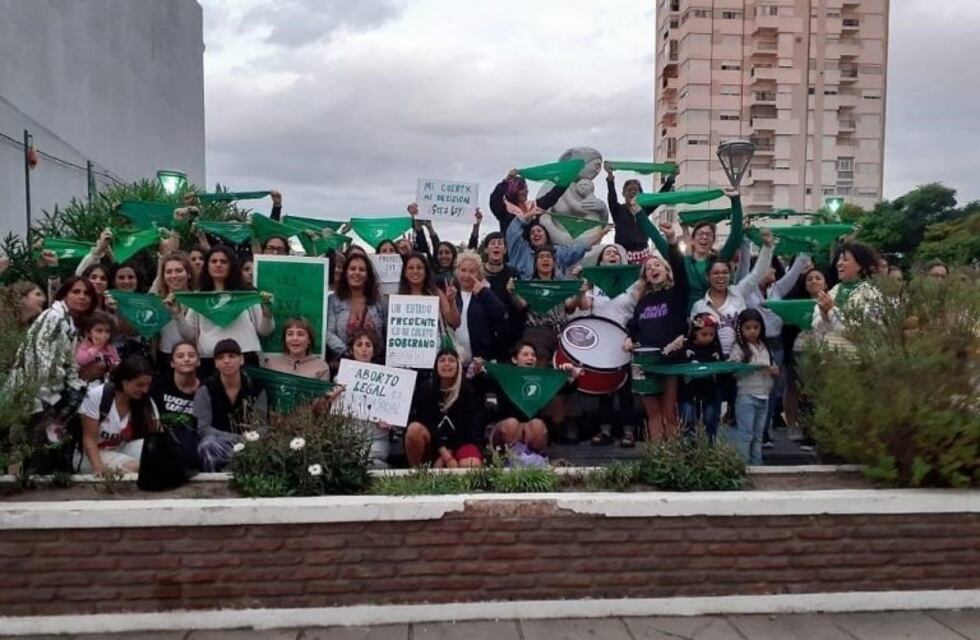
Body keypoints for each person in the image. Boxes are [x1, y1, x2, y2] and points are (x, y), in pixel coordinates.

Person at [8, 276, 98, 470]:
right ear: (64, 295)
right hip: (37, 399)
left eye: (87, 293)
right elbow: (43, 363)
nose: (82, 297)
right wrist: (60, 397)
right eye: (76, 292)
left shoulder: (67, 321)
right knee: (38, 463)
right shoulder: (54, 318)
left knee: (43, 459)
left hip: (43, 398)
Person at [623, 222, 689, 443]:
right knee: (653, 413)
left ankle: (673, 459)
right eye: (648, 268)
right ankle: (657, 458)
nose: (652, 269)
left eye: (657, 265)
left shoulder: (676, 293)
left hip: (669, 359)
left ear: (666, 270)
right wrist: (629, 338)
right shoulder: (643, 301)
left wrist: (671, 241)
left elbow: (680, 267)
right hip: (643, 360)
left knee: (669, 412)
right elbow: (634, 324)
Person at [173, 244, 275, 374]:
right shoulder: (199, 296)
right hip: (209, 359)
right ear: (207, 266)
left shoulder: (247, 294)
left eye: (223, 261)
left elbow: (265, 331)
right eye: (213, 261)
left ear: (231, 266)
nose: (218, 265)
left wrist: (267, 313)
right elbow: (190, 336)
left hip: (245, 356)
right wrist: (178, 315)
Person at [638, 188, 744, 311]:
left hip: (718, 315)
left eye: (708, 235)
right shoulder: (682, 262)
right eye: (700, 234)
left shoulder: (719, 261)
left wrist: (735, 201)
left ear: (713, 241)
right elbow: (657, 238)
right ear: (693, 240)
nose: (704, 237)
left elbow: (736, 235)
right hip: (687, 317)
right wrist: (639, 214)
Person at [576, 243, 639, 445]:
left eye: (616, 254)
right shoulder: (595, 283)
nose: (612, 255)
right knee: (604, 388)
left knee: (626, 389)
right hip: (602, 342)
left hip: (625, 341)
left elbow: (639, 308)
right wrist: (581, 287)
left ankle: (628, 432)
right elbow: (585, 306)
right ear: (601, 261)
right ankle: (605, 431)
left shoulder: (631, 284)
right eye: (608, 253)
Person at [77, 355, 159, 474]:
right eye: (140, 385)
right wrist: (99, 470)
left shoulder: (145, 402)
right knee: (135, 468)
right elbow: (89, 439)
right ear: (124, 381)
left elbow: (158, 433)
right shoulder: (98, 396)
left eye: (148, 385)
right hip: (92, 454)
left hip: (121, 449)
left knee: (155, 452)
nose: (145, 390)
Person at [193, 338, 265, 472]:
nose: (226, 361)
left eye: (232, 356)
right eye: (221, 358)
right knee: (206, 445)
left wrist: (247, 441)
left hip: (249, 444)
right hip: (218, 443)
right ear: (215, 363)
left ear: (241, 359)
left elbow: (261, 426)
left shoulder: (256, 387)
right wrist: (234, 438)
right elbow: (203, 428)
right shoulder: (206, 389)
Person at [405, 349, 485, 468]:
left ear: (458, 365)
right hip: (434, 443)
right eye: (442, 360)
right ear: (436, 365)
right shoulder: (426, 389)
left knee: (471, 464)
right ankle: (416, 473)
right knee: (414, 430)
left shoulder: (467, 391)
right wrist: (444, 454)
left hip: (460, 442)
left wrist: (448, 455)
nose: (446, 364)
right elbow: (428, 423)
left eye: (451, 360)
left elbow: (467, 428)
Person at [729, 309, 780, 465]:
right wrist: (758, 367)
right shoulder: (739, 348)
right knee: (746, 435)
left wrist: (775, 371)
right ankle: (743, 466)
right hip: (746, 396)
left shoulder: (765, 347)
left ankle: (757, 466)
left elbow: (773, 366)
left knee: (758, 436)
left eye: (756, 327)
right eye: (748, 328)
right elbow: (734, 370)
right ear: (741, 329)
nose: (752, 331)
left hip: (764, 397)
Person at [812, 241, 883, 351]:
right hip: (829, 361)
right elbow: (817, 327)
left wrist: (831, 311)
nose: (839, 263)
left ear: (860, 265)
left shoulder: (871, 294)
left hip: (857, 362)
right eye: (839, 259)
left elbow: (859, 332)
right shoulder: (832, 292)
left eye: (845, 260)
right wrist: (824, 315)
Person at [666, 313, 724, 441]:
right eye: (704, 334)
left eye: (711, 334)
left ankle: (710, 453)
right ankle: (689, 456)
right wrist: (673, 346)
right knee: (688, 423)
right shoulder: (685, 347)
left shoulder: (715, 348)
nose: (708, 338)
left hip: (710, 395)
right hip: (687, 394)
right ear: (694, 332)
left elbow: (722, 369)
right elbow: (667, 358)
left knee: (710, 424)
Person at [337, 329, 390, 468]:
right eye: (359, 345)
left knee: (371, 462)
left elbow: (393, 412)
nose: (364, 349)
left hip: (377, 440)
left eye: (368, 345)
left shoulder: (387, 379)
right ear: (351, 349)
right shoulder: (340, 377)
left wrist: (391, 422)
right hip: (348, 439)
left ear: (373, 350)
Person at [604, 164, 676, 264]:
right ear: (623, 193)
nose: (632, 193)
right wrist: (610, 178)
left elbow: (658, 199)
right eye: (629, 190)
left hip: (644, 258)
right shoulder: (618, 210)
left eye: (636, 190)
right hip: (623, 257)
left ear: (641, 194)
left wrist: (670, 180)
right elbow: (612, 197)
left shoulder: (643, 211)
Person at [506, 208, 601, 280]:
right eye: (532, 233)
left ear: (546, 236)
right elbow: (512, 233)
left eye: (539, 231)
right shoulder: (522, 252)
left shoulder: (558, 252)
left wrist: (602, 233)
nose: (536, 234)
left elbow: (580, 247)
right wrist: (529, 214)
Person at [325, 253, 386, 361]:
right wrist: (348, 352)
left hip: (375, 364)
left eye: (362, 270)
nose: (357, 272)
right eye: (352, 269)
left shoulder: (379, 300)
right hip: (343, 362)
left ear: (368, 275)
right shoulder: (333, 300)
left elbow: (386, 332)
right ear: (346, 273)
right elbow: (328, 333)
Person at [454, 250, 507, 364]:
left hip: (479, 361)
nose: (467, 275)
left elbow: (500, 312)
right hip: (455, 360)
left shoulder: (486, 293)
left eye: (472, 271)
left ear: (479, 273)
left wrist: (483, 292)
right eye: (463, 270)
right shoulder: (452, 294)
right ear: (457, 271)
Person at [398, 252, 461, 342]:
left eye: (419, 268)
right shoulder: (398, 298)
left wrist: (451, 302)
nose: (415, 271)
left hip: (436, 349)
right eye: (411, 268)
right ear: (405, 273)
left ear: (426, 272)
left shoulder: (435, 293)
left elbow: (455, 322)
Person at [151, 252, 195, 376]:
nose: (174, 275)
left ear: (189, 274)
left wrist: (178, 315)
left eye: (179, 270)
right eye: (169, 272)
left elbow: (193, 336)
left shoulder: (197, 300)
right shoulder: (159, 301)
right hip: (164, 358)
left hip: (191, 358)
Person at [480, 231, 522, 361]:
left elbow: (521, 306)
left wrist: (513, 293)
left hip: (508, 332)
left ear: (505, 250)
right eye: (492, 244)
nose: (496, 246)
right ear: (486, 249)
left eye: (500, 244)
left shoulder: (513, 272)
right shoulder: (479, 272)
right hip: (484, 330)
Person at [489, 168, 568, 234]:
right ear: (512, 190)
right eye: (522, 188)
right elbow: (495, 199)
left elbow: (552, 196)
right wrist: (507, 180)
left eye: (526, 188)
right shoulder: (504, 210)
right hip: (511, 250)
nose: (526, 191)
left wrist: (567, 178)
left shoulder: (533, 206)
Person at [263, 317, 331, 380]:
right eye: (290, 334)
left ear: (309, 340)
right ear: (285, 339)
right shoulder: (271, 364)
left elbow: (324, 393)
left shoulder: (321, 367)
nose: (295, 338)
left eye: (300, 334)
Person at [151, 340, 201, 424]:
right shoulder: (158, 387)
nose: (186, 359)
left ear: (199, 361)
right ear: (172, 363)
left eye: (191, 355)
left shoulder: (208, 389)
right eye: (180, 356)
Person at [74, 311, 120, 375]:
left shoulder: (109, 347)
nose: (104, 335)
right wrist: (96, 347)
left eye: (107, 331)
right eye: (99, 331)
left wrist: (112, 364)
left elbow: (116, 360)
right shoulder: (85, 345)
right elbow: (81, 360)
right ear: (88, 333)